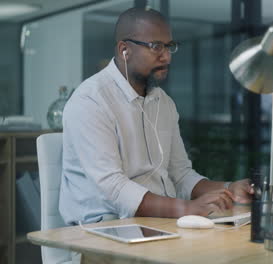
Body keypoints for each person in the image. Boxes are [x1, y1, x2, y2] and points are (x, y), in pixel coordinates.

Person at [59, 7, 253, 225]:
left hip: (159, 221)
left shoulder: (163, 102)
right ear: (125, 50)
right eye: (156, 47)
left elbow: (180, 175)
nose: (167, 56)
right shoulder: (90, 101)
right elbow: (113, 187)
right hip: (103, 228)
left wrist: (228, 189)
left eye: (169, 46)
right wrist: (187, 208)